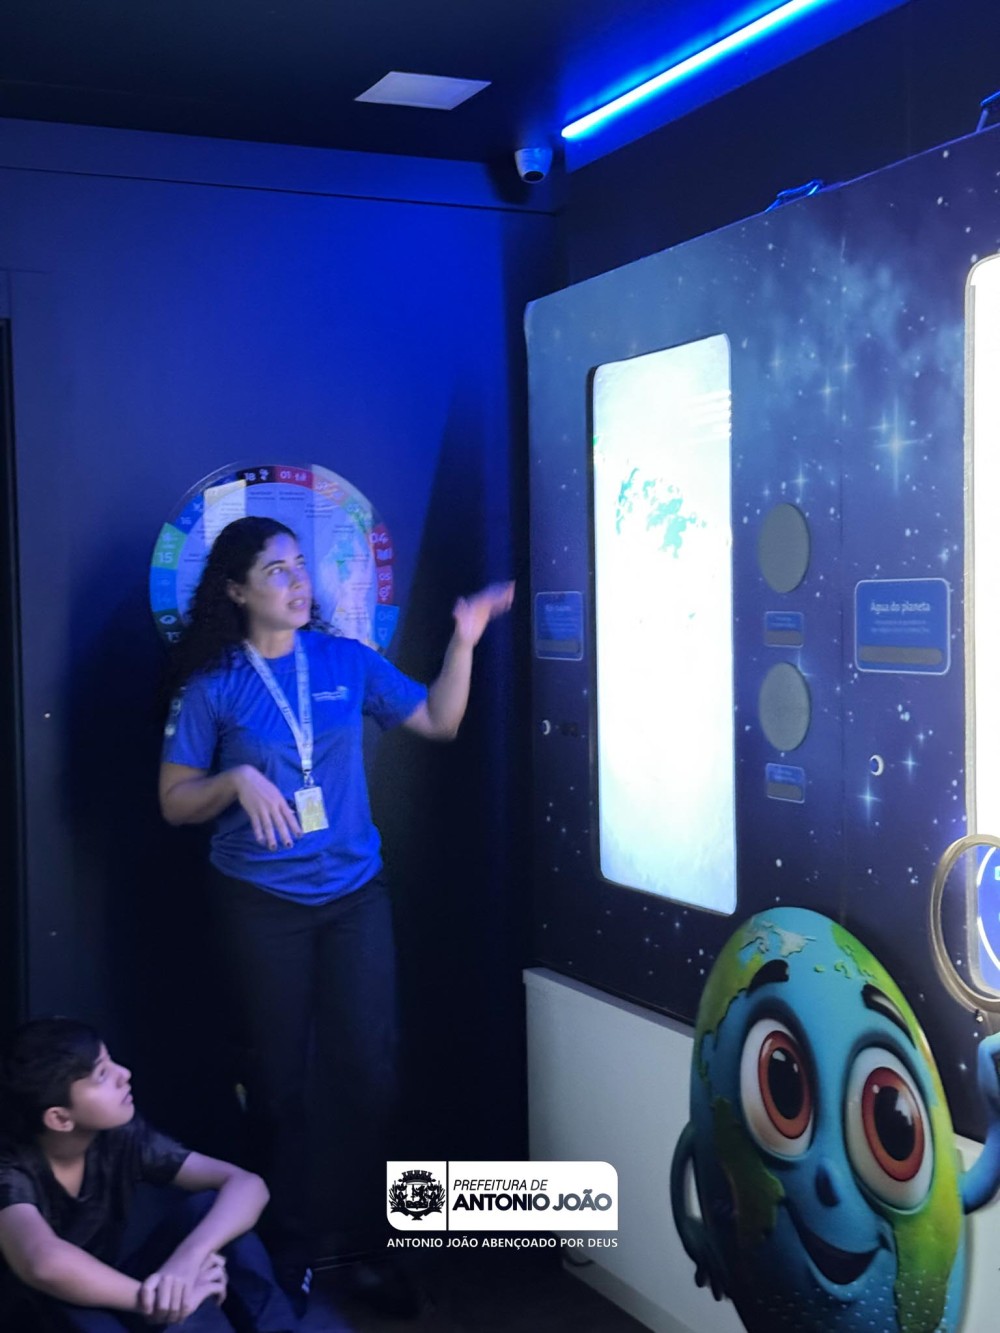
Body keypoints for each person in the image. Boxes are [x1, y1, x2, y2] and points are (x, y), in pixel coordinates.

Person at [157, 516, 513, 1311]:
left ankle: (360, 1245)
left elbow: (440, 720)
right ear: (236, 590)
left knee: (371, 1073)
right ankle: (285, 1248)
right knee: (277, 1083)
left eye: (299, 565)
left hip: (354, 894)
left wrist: (464, 640)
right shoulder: (215, 683)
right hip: (260, 902)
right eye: (275, 571)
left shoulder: (345, 659)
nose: (297, 581)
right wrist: (233, 781)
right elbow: (174, 799)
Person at [0, 1016, 298, 1332]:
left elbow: (247, 1184)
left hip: (116, 1292)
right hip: (41, 1315)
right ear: (60, 1118)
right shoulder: (10, 1167)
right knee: (80, 1310)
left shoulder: (119, 1136)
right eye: (103, 1074)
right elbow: (42, 1262)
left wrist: (187, 1261)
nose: (124, 1074)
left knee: (211, 1208)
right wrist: (155, 1298)